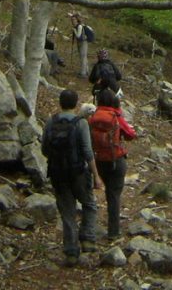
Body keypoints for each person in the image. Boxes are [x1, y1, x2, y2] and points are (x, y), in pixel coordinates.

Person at [41, 88, 102, 266]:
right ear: (76, 104)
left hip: (57, 173)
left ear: (60, 103)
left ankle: (71, 252)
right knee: (89, 204)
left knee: (67, 212)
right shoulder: (80, 123)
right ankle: (88, 239)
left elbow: (45, 149)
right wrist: (96, 176)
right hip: (79, 173)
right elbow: (88, 152)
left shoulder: (50, 122)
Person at [88, 87, 136, 241]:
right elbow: (130, 135)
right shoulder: (116, 116)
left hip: (98, 161)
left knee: (91, 195)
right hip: (115, 161)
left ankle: (88, 230)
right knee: (113, 196)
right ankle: (113, 232)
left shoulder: (92, 117)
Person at [69, 11, 90, 77]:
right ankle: (86, 71)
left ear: (77, 20)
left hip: (83, 42)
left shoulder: (80, 26)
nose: (73, 21)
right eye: (72, 20)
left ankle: (83, 73)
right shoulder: (78, 26)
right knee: (83, 57)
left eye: (74, 20)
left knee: (83, 57)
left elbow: (78, 36)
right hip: (81, 42)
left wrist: (74, 30)